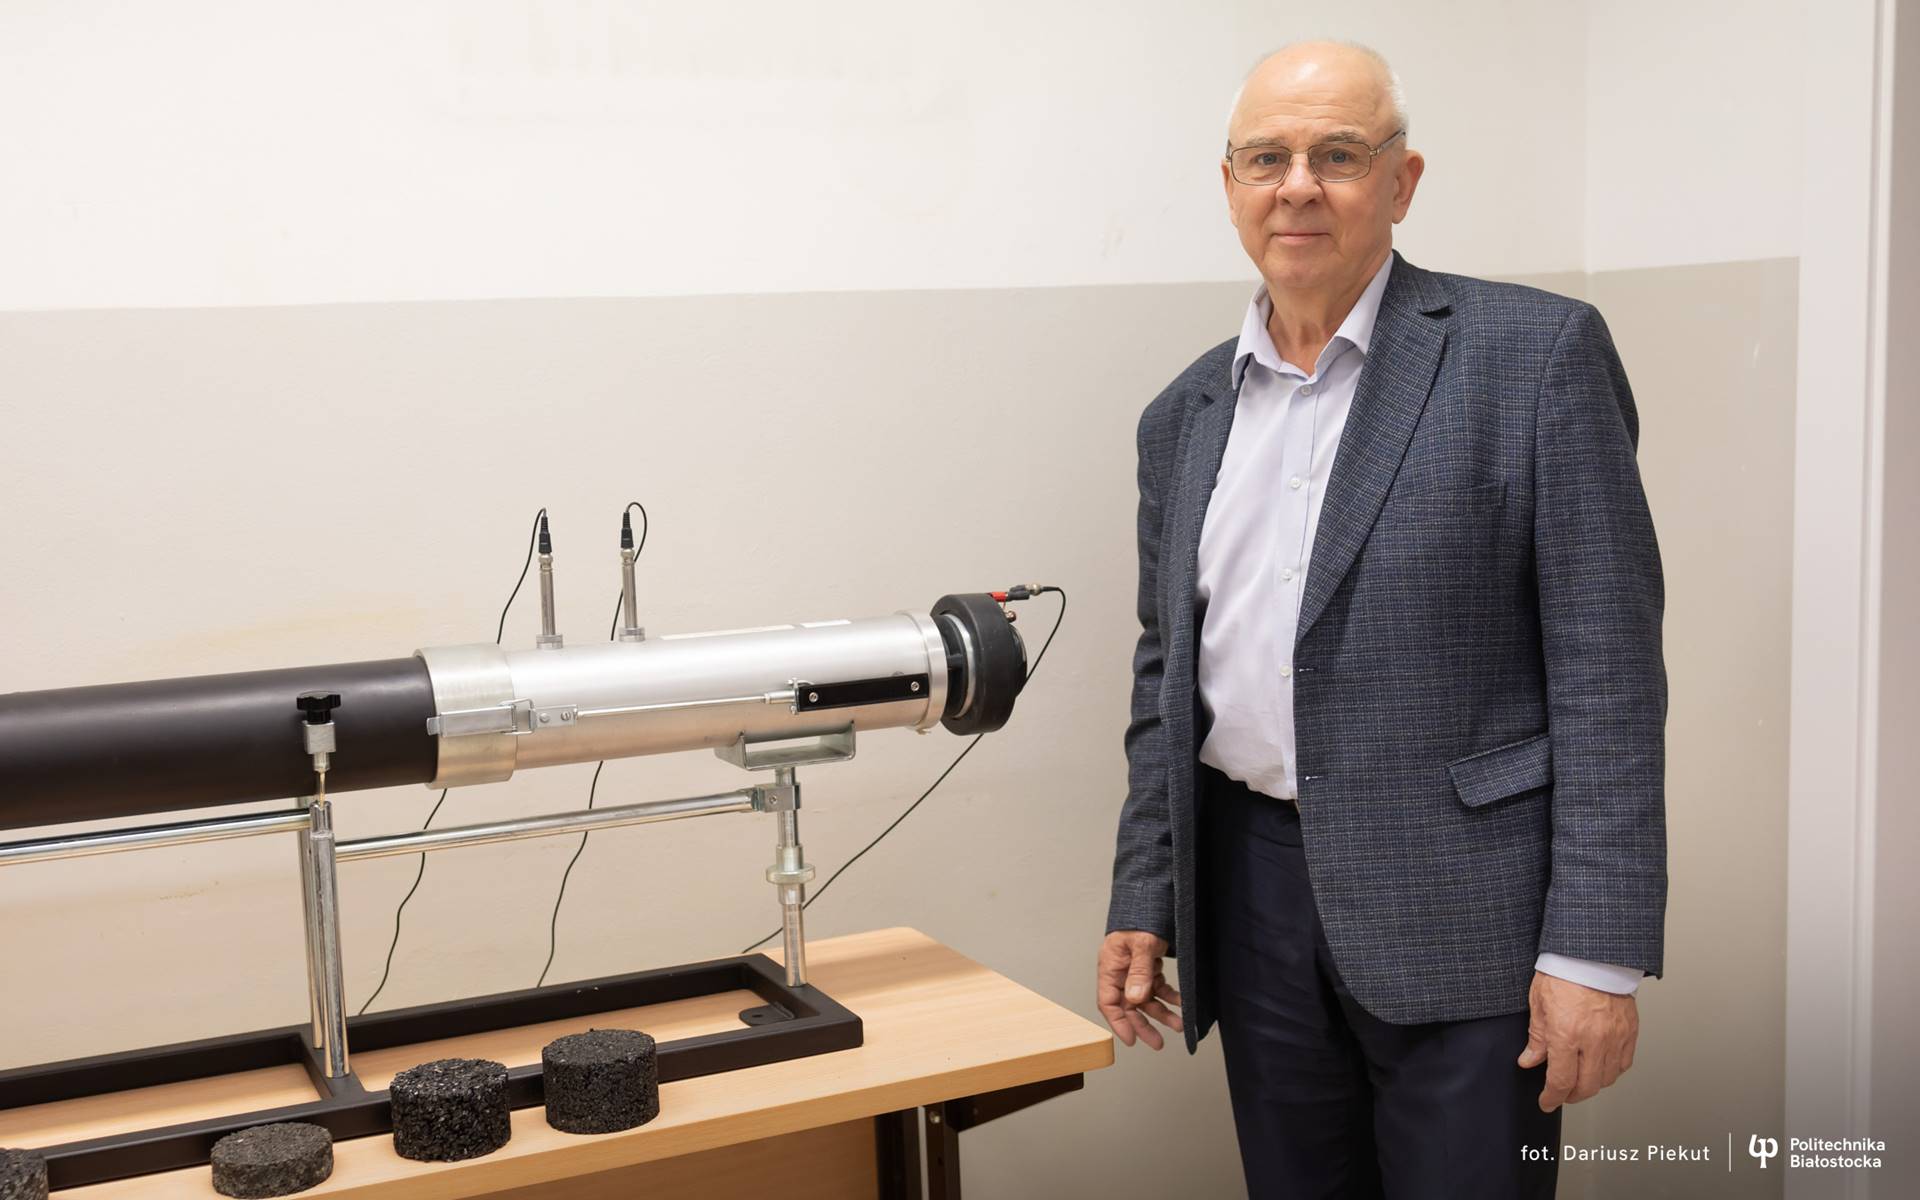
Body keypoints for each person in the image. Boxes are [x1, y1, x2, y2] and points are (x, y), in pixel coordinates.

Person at [1096, 40, 1666, 1199]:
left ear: (1401, 182)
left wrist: (1596, 954)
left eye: (1339, 155)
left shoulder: (1534, 357)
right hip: (1253, 901)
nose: (1297, 186)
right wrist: (1145, 896)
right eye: (1268, 158)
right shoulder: (1183, 415)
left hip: (1466, 914)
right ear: (1230, 185)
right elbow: (1169, 677)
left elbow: (1608, 676)